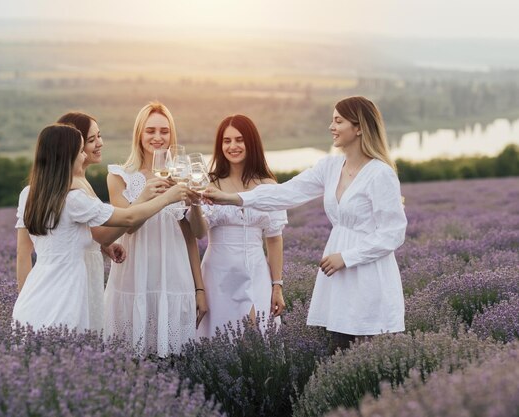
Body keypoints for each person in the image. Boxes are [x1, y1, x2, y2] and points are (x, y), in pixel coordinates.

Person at [204, 96, 407, 352]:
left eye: (338, 121)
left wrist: (347, 257)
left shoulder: (381, 173)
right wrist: (233, 199)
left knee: (371, 346)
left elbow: (393, 233)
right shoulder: (331, 167)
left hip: (366, 271)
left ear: (359, 128)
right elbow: (286, 193)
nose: (331, 126)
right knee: (339, 345)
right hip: (337, 271)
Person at [13, 124, 187, 332]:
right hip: (65, 295)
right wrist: (169, 197)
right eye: (79, 151)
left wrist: (104, 245)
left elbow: (58, 237)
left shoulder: (30, 194)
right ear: (66, 156)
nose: (83, 157)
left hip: (33, 296)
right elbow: (129, 218)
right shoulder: (74, 199)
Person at [103, 101, 207, 357]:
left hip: (173, 276)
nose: (158, 137)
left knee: (174, 358)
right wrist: (146, 197)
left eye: (164, 131)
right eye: (150, 131)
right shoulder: (120, 177)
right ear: (139, 133)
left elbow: (194, 235)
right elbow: (127, 227)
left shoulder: (181, 175)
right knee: (129, 356)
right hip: (134, 277)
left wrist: (199, 289)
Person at [188, 114, 287, 338]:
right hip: (218, 273)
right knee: (221, 341)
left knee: (258, 338)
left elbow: (274, 238)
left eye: (239, 139)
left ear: (251, 142)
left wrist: (277, 286)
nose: (232, 146)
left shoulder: (268, 185)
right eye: (226, 140)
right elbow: (198, 232)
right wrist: (194, 203)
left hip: (257, 272)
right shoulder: (209, 182)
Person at [55, 111, 126, 333]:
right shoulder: (73, 184)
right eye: (92, 140)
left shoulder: (81, 178)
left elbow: (82, 227)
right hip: (77, 273)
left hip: (90, 266)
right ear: (74, 145)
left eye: (100, 136)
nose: (100, 143)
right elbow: (104, 230)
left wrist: (104, 245)